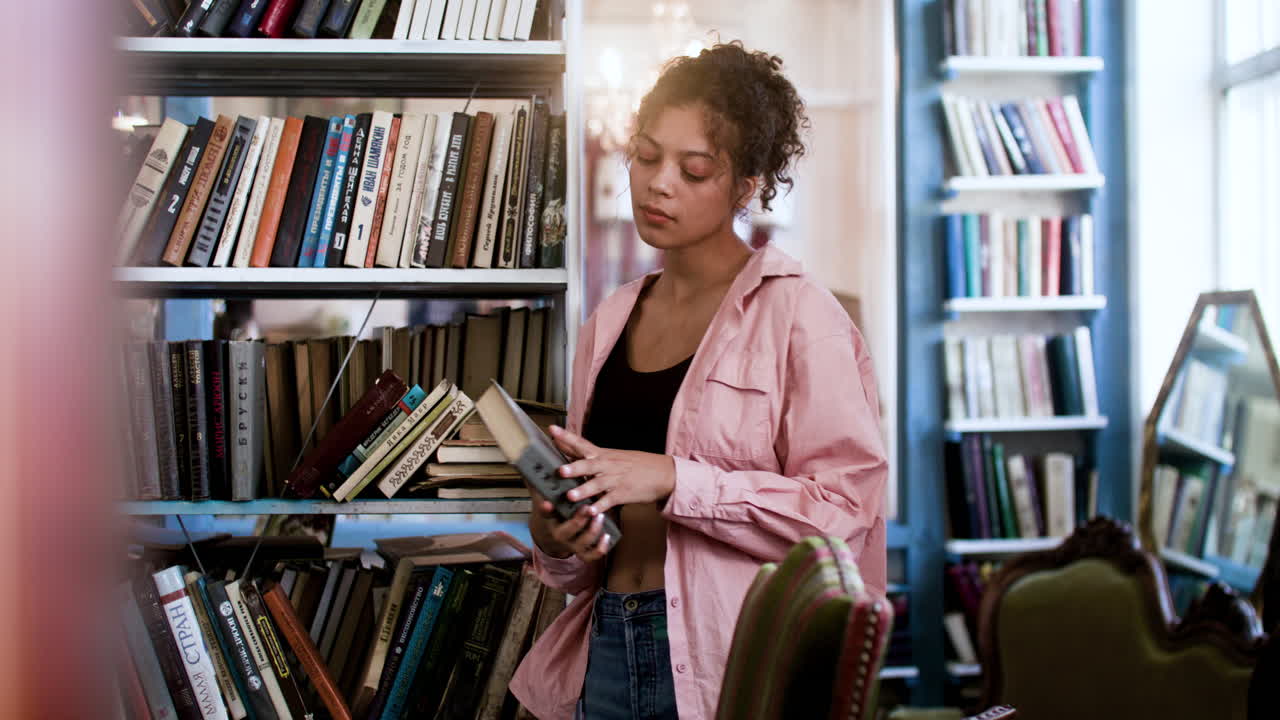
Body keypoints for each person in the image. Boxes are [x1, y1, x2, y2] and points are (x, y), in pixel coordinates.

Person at [509, 41, 887, 720]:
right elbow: (580, 559)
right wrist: (555, 536)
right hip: (603, 647)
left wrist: (675, 477)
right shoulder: (610, 319)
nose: (659, 184)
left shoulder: (799, 314)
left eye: (695, 169)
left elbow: (845, 515)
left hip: (723, 657)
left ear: (746, 186)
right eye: (648, 157)